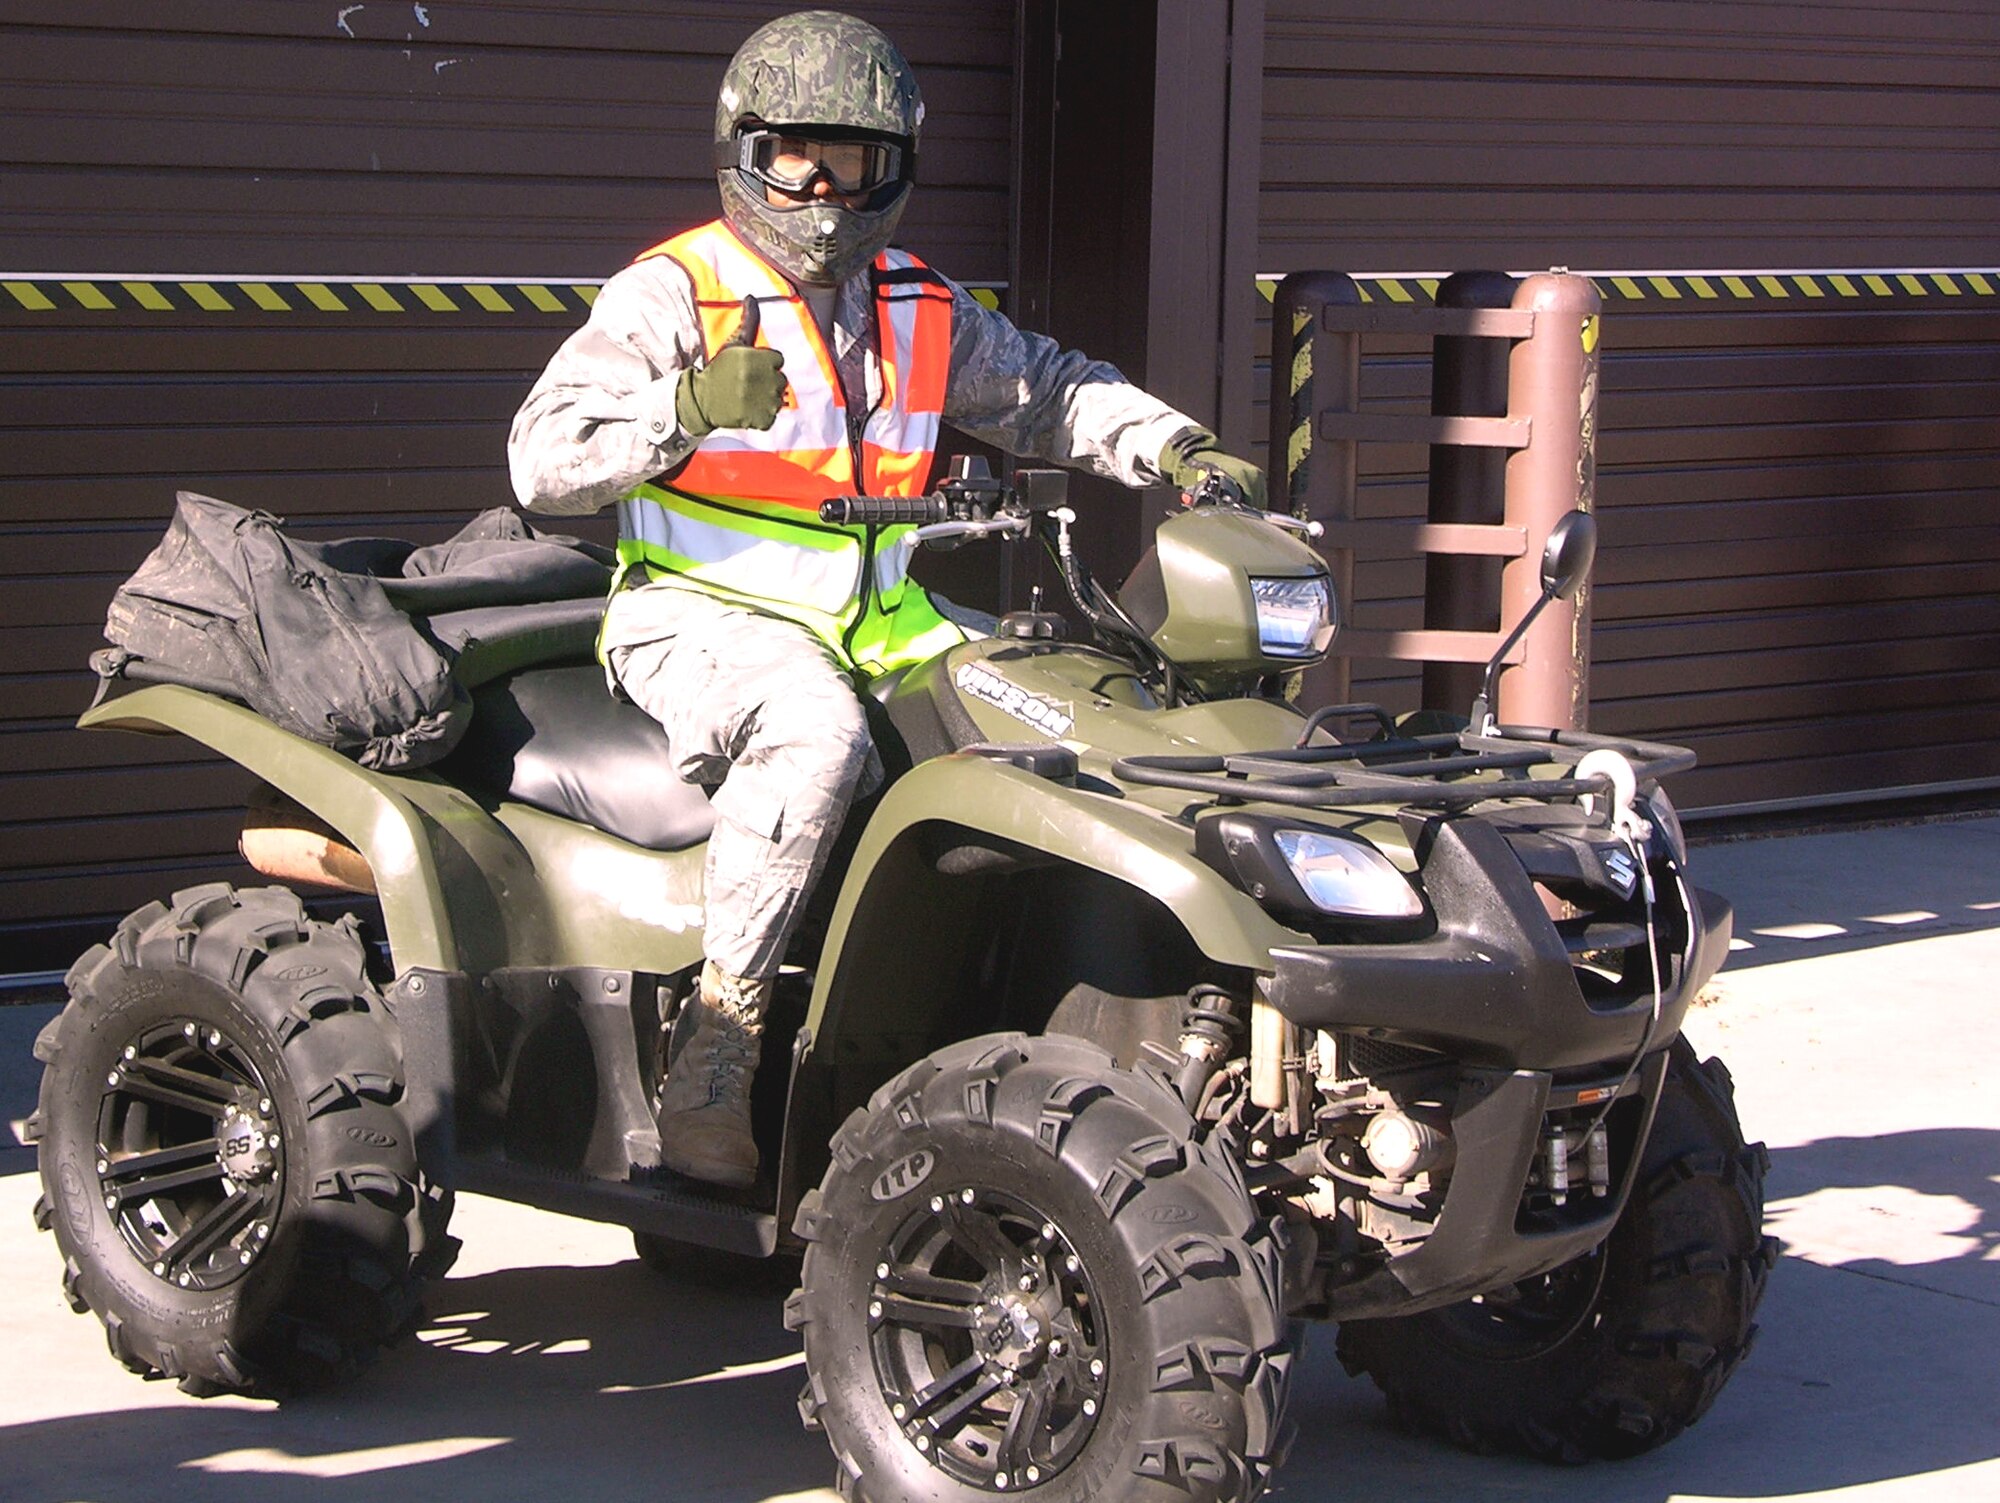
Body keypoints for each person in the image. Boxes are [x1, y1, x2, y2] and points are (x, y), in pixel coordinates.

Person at [507, 9, 1264, 1188]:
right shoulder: (674, 294)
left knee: (1064, 713)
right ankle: (720, 1032)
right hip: (703, 614)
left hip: (882, 619)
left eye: (849, 161)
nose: (821, 189)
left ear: (890, 170)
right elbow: (541, 462)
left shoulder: (916, 302)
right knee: (813, 735)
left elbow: (1049, 395)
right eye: (795, 157)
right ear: (743, 153)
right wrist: (684, 413)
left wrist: (1176, 448)